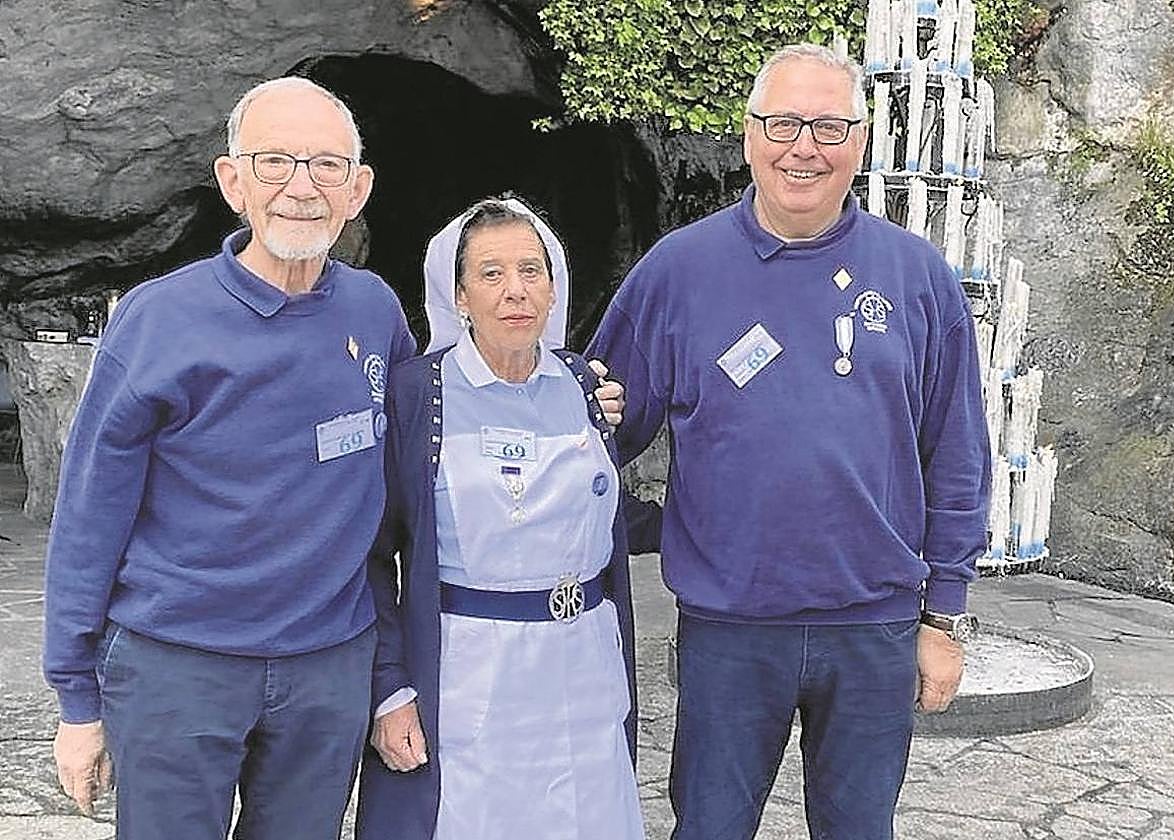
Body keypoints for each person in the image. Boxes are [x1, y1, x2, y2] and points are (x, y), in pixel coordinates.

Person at [40, 79, 625, 838]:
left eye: (325, 166)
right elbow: (88, 515)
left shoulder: (373, 311)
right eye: (276, 161)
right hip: (181, 667)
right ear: (232, 181)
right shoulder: (159, 320)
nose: (301, 188)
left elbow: (429, 443)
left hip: (327, 670)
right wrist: (76, 699)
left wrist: (579, 397)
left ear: (358, 189)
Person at [587, 44, 991, 840]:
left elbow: (958, 455)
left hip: (873, 629)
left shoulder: (917, 276)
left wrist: (943, 618)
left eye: (828, 126)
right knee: (707, 828)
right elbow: (600, 429)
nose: (803, 146)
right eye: (783, 124)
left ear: (862, 143)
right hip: (730, 630)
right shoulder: (679, 270)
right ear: (748, 136)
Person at [355, 198, 644, 840]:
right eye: (490, 274)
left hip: (583, 667)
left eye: (531, 270)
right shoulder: (415, 395)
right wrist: (390, 689)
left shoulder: (585, 386)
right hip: (471, 677)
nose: (515, 291)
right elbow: (371, 557)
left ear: (553, 284)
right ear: (458, 294)